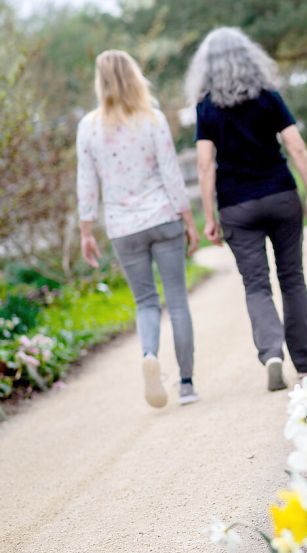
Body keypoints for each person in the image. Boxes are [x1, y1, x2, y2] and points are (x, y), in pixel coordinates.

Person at [185, 28, 307, 391]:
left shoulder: (206, 108)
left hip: (236, 206)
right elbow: (296, 146)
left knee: (256, 285)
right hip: (280, 195)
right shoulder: (268, 97)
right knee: (292, 277)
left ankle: (271, 353)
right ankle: (305, 363)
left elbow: (205, 165)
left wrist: (210, 218)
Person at [77, 50, 200, 408]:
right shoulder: (153, 119)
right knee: (177, 302)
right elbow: (171, 174)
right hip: (162, 218)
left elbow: (86, 183)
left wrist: (86, 231)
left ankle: (150, 354)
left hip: (122, 227)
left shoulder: (88, 127)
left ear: (100, 83)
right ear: (134, 77)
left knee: (145, 301)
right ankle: (187, 384)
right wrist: (188, 220)